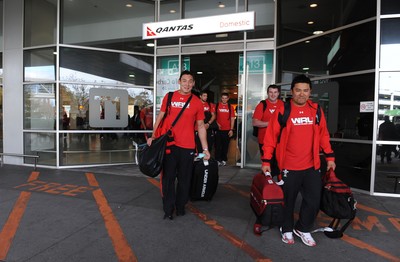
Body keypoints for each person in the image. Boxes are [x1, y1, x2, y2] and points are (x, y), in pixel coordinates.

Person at [261, 74, 335, 247]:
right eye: (298, 90)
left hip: (311, 166)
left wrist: (330, 156)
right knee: (288, 200)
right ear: (292, 92)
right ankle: (286, 228)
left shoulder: (316, 110)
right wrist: (266, 162)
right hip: (288, 166)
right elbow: (271, 138)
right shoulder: (283, 111)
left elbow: (324, 134)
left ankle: (303, 228)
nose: (302, 94)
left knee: (313, 200)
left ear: (310, 92)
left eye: (305, 90)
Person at [147, 70, 210, 220]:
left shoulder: (196, 102)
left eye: (190, 81)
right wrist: (153, 136)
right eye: (184, 81)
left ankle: (180, 206)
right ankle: (168, 209)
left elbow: (200, 126)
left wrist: (205, 149)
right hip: (169, 144)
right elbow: (160, 117)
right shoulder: (169, 97)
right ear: (179, 81)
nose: (187, 84)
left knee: (184, 179)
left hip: (188, 147)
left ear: (193, 83)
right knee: (168, 178)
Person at [252, 84, 284, 176]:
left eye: (275, 92)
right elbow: (255, 122)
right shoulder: (262, 105)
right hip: (265, 141)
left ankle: (279, 186)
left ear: (278, 93)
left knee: (279, 165)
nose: (273, 94)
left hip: (280, 141)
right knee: (267, 165)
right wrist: (272, 123)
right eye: (271, 92)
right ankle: (267, 186)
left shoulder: (283, 105)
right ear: (267, 93)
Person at [215, 92, 235, 166]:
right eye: (223, 98)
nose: (224, 99)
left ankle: (223, 159)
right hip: (218, 129)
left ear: (228, 99)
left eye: (225, 98)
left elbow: (232, 118)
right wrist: (217, 124)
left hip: (227, 130)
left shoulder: (230, 107)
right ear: (221, 98)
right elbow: (214, 116)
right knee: (217, 146)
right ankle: (217, 159)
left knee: (225, 146)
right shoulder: (217, 105)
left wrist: (231, 129)